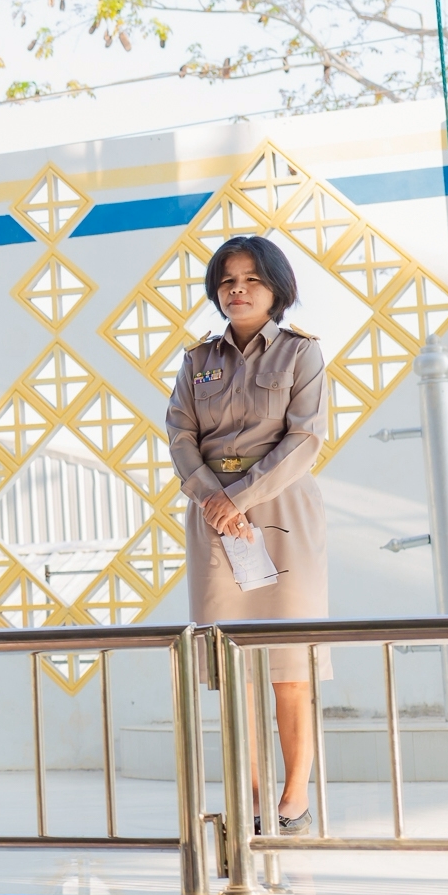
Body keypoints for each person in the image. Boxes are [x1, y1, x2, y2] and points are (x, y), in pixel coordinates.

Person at [166, 234, 330, 836]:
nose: (238, 290)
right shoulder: (197, 361)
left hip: (281, 511)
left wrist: (236, 499)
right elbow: (180, 434)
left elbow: (304, 439)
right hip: (214, 519)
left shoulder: (301, 353)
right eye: (228, 280)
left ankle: (294, 799)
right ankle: (253, 799)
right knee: (233, 665)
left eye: (252, 279)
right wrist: (213, 497)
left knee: (290, 663)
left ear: (276, 289)